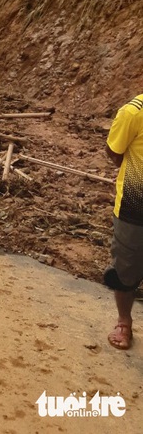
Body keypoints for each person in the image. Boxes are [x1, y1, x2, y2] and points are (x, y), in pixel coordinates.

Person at [105, 92, 143, 350]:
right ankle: (123, 322)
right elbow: (114, 152)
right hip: (135, 204)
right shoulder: (133, 113)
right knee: (126, 268)